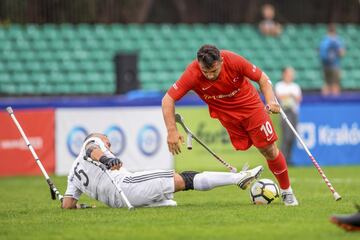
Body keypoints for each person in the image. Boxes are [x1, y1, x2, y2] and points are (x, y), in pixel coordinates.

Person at [162, 44, 298, 206]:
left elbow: (262, 78)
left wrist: (270, 100)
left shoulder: (233, 60)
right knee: (250, 147)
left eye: (214, 71)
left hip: (251, 108)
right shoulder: (192, 73)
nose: (210, 76)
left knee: (268, 148)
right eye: (206, 72)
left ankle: (287, 192)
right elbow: (167, 99)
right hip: (227, 116)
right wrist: (171, 130)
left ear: (221, 61)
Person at [62, 133, 264, 209]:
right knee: (183, 179)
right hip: (126, 186)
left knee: (171, 203)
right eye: (109, 143)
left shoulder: (73, 173)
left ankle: (237, 178)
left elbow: (67, 204)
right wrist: (107, 158)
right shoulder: (93, 141)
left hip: (118, 203)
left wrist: (83, 207)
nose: (110, 146)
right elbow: (92, 150)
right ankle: (238, 178)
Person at [275, 67, 302, 165]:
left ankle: (288, 158)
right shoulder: (279, 85)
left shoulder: (295, 86)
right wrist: (290, 96)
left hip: (294, 112)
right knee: (286, 137)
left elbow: (298, 99)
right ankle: (283, 159)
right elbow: (280, 97)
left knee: (292, 137)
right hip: (285, 112)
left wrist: (290, 96)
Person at [319, 23, 345, 96]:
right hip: (335, 65)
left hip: (325, 65)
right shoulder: (337, 40)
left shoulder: (324, 40)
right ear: (335, 31)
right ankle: (336, 104)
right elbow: (342, 52)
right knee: (335, 85)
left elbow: (320, 52)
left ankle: (323, 103)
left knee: (326, 84)